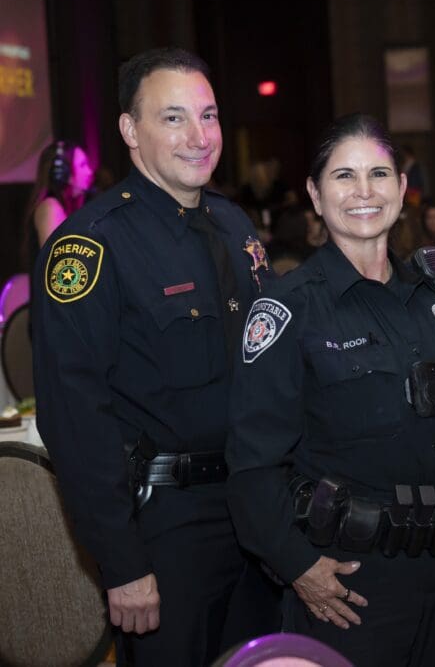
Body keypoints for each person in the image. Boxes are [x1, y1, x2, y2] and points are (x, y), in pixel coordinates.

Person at [226, 113, 435, 666]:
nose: (364, 191)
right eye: (344, 176)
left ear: (401, 189)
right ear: (315, 196)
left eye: (379, 174)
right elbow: (252, 467)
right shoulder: (288, 310)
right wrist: (298, 567)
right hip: (352, 586)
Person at [31, 47, 279, 666]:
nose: (200, 137)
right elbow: (74, 418)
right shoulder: (89, 248)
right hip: (168, 529)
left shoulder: (234, 225)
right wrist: (122, 563)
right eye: (173, 119)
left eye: (210, 115)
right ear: (129, 130)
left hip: (257, 515)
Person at [21, 139, 94, 269]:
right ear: (63, 173)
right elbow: (59, 266)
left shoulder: (64, 207)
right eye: (83, 165)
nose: (89, 171)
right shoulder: (50, 208)